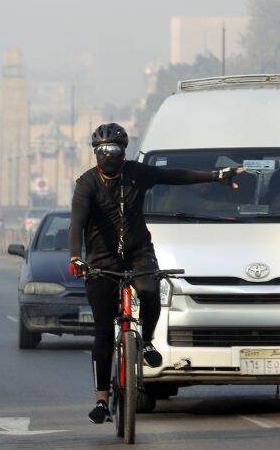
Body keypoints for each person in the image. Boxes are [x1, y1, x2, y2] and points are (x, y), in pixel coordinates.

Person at [68, 123, 244, 424]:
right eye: (102, 150)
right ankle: (101, 398)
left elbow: (175, 176)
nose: (108, 155)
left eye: (114, 150)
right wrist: (75, 256)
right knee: (101, 332)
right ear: (96, 153)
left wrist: (215, 177)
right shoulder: (86, 183)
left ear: (123, 153)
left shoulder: (138, 173)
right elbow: (77, 221)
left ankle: (146, 340)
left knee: (150, 292)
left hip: (139, 254)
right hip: (101, 260)